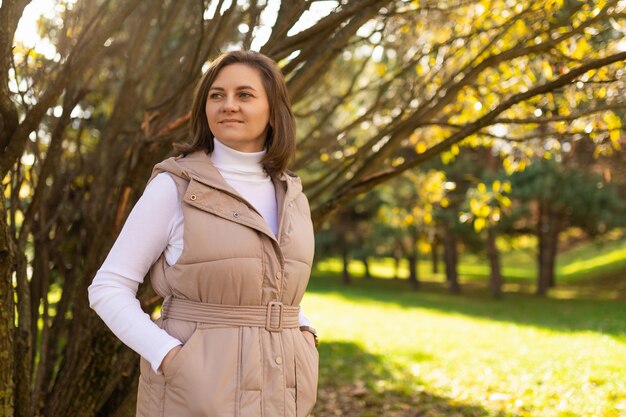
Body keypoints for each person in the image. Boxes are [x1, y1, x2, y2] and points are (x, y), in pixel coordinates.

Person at [88, 50, 318, 417]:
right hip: (196, 395)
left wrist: (305, 334)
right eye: (217, 95)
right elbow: (108, 287)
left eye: (244, 95)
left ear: (273, 110)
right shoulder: (175, 186)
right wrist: (172, 358)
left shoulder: (291, 193)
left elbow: (275, 285)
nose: (228, 105)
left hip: (283, 390)